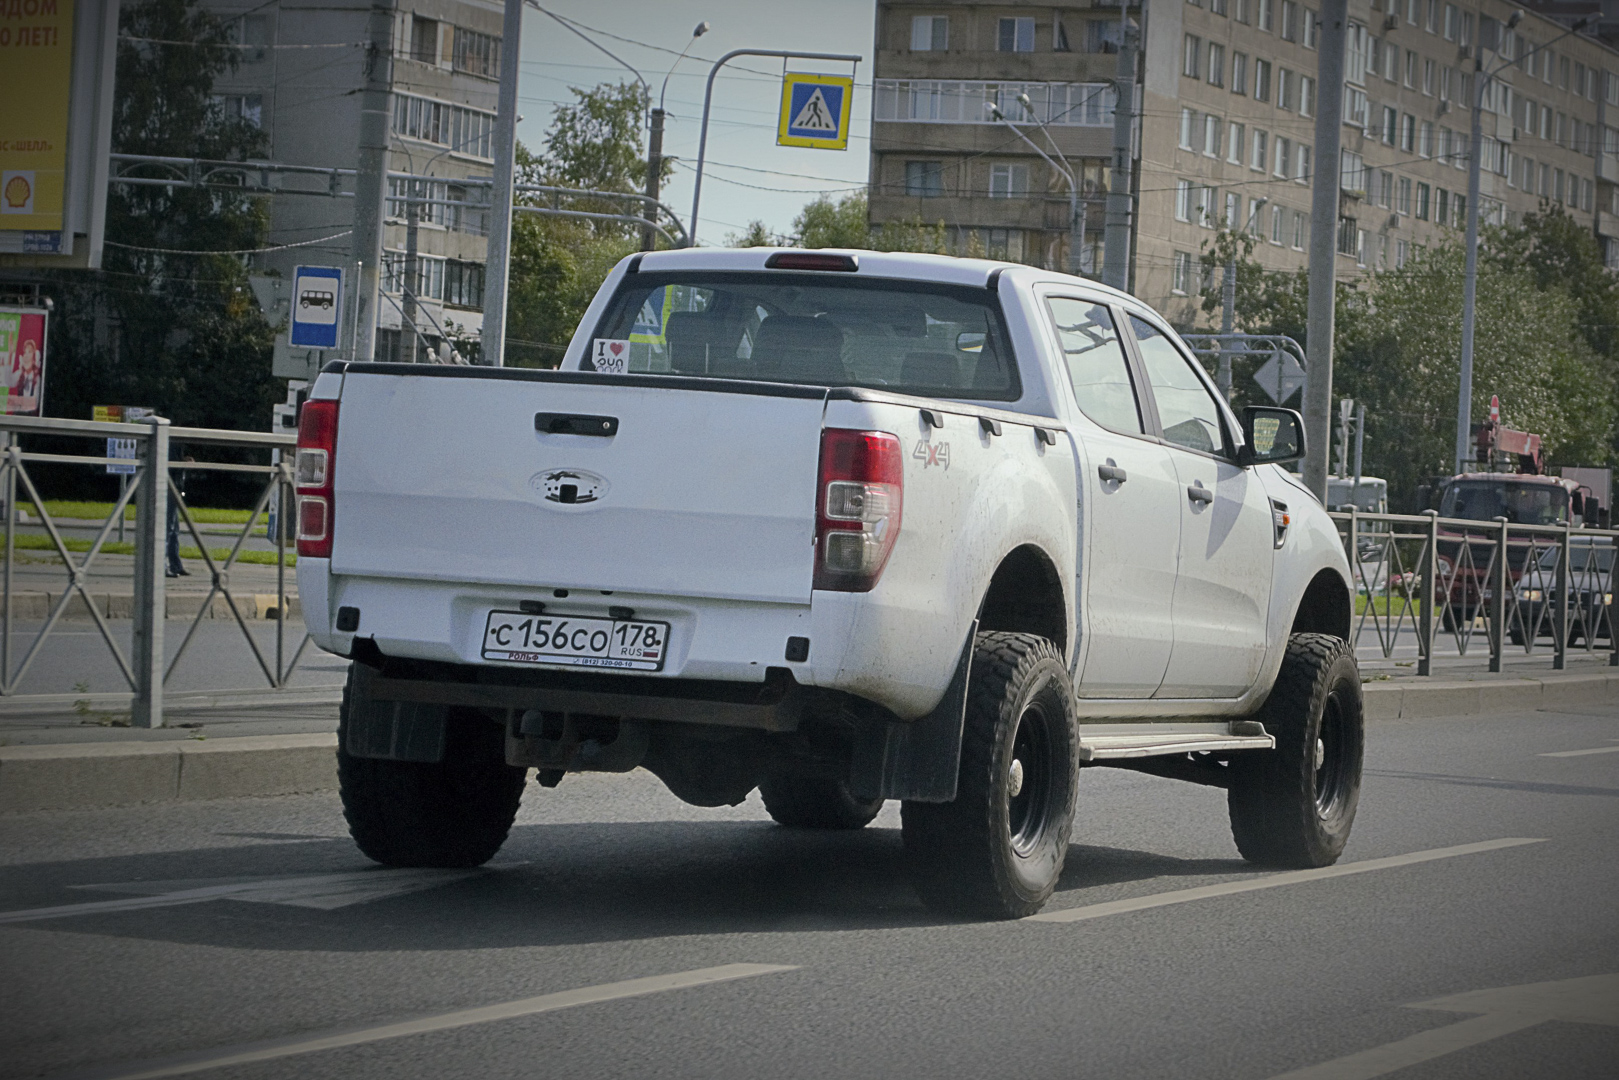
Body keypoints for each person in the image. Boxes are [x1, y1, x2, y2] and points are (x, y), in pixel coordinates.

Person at [165, 452, 194, 577]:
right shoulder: (172, 443)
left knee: (174, 530)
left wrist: (182, 461)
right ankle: (164, 566)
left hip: (174, 487)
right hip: (170, 487)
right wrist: (183, 463)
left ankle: (175, 565)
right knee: (169, 529)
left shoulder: (175, 444)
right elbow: (170, 464)